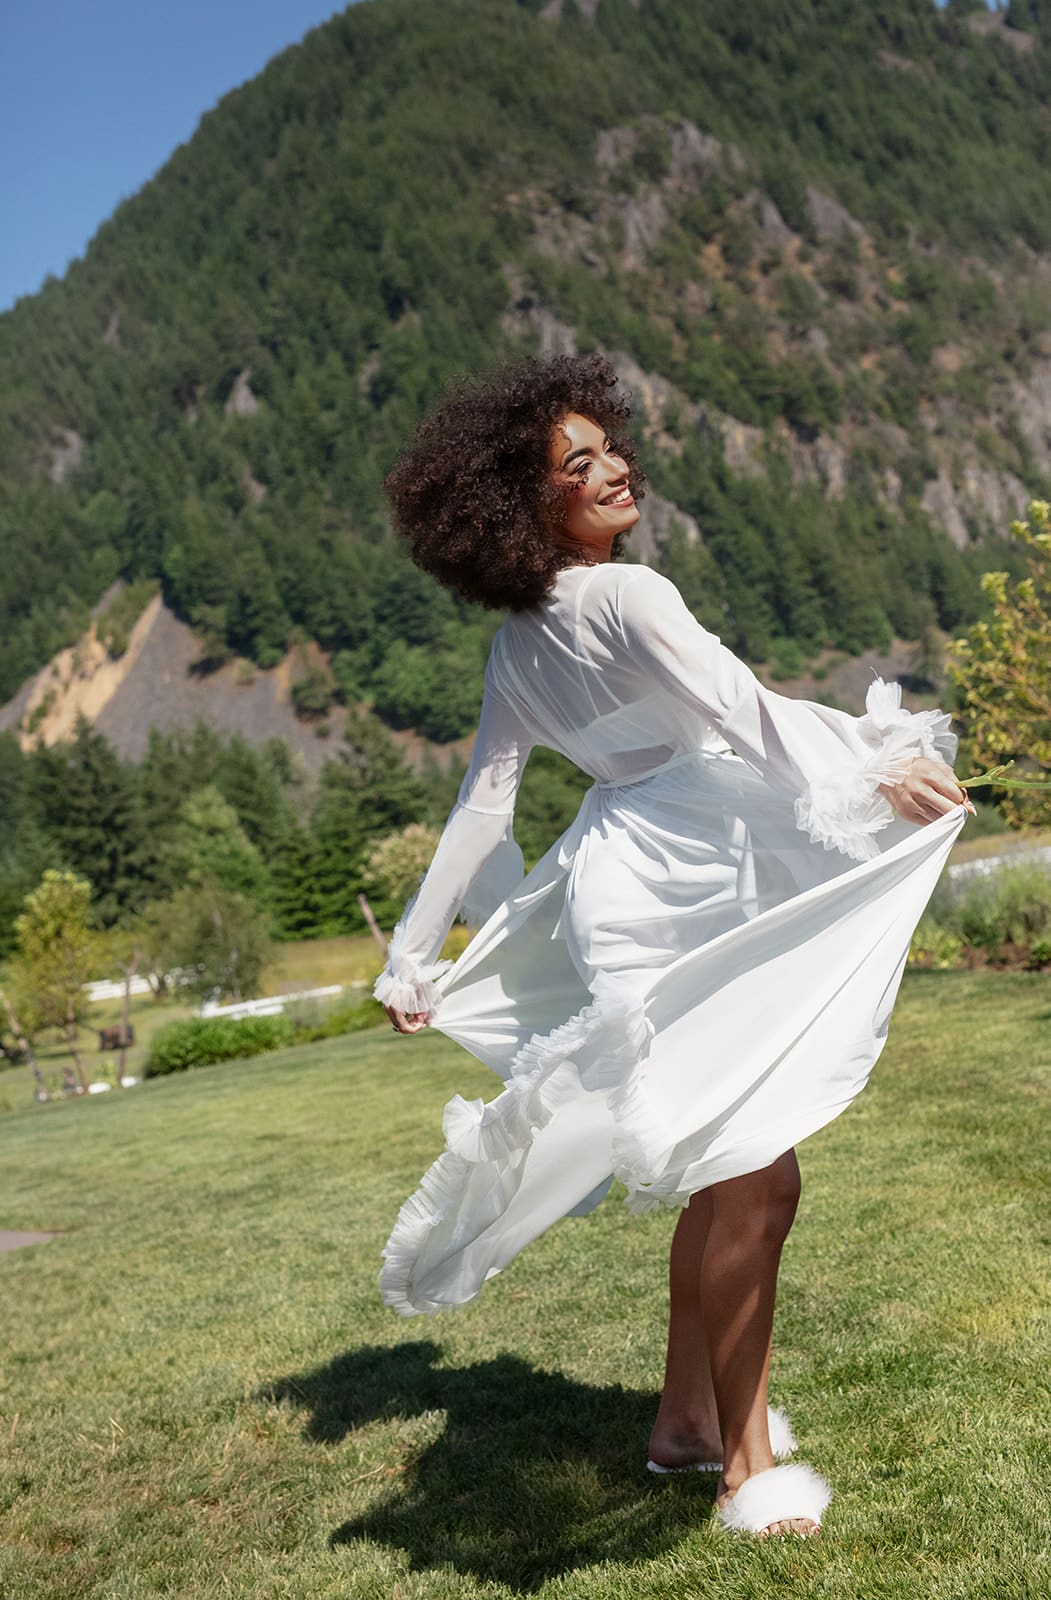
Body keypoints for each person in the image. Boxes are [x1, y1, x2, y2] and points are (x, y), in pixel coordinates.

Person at [373, 352, 971, 1539]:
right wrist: (878, 766)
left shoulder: (516, 647)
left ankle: (686, 1424)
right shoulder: (629, 597)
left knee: (726, 1171)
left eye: (610, 447)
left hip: (634, 883)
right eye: (574, 462)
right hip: (690, 870)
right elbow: (736, 703)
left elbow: (484, 808)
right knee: (757, 1173)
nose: (610, 469)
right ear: (519, 503)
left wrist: (409, 952)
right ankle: (746, 1471)